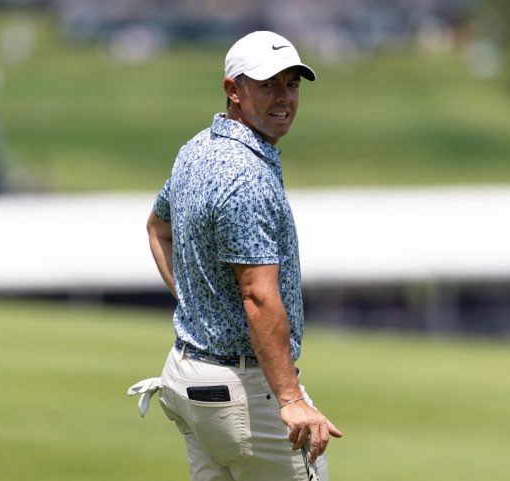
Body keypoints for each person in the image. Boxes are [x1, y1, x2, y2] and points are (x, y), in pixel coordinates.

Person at [138, 30, 342, 481]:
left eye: (292, 84)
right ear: (234, 89)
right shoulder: (247, 177)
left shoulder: (195, 150)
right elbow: (258, 296)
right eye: (268, 85)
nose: (284, 97)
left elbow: (157, 229)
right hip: (243, 394)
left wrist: (199, 304)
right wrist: (291, 399)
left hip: (188, 377)